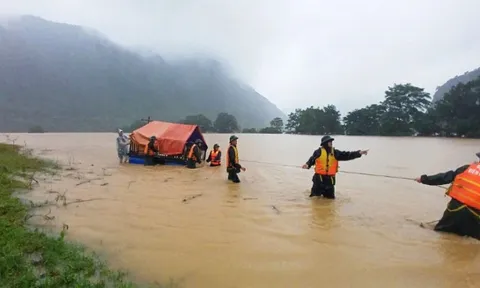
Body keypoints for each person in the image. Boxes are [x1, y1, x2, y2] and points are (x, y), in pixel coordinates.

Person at [414, 152, 480, 240]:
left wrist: (423, 179)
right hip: (474, 217)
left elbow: (444, 177)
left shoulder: (466, 168)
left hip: (453, 211)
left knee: (441, 234)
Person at [301, 135, 368, 199]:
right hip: (319, 180)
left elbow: (347, 155)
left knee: (330, 200)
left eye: (331, 141)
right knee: (314, 199)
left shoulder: (335, 153)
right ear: (325, 143)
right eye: (329, 141)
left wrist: (359, 153)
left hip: (330, 181)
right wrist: (307, 165)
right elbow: (312, 160)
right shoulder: (318, 152)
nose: (331, 143)